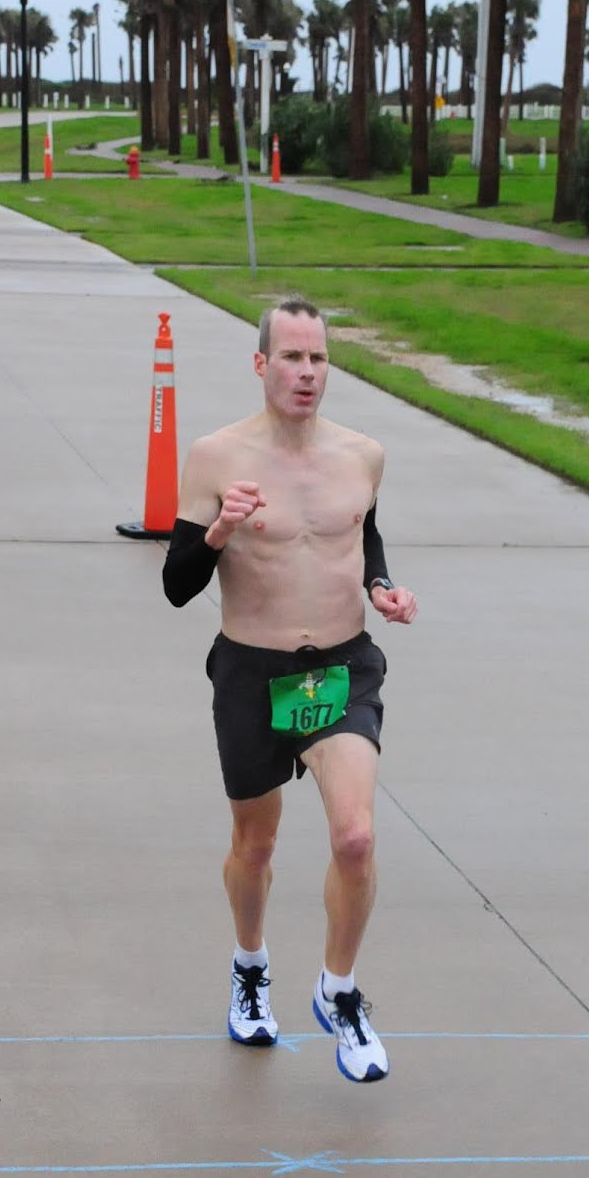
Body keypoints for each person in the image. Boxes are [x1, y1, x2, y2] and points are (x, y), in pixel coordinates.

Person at [163, 296, 417, 1083]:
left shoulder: (362, 455)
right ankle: (249, 968)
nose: (306, 373)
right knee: (257, 844)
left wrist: (381, 586)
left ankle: (338, 993)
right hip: (252, 671)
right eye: (292, 358)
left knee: (355, 837)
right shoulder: (215, 457)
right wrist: (217, 532)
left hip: (340, 668)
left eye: (318, 359)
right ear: (260, 364)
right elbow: (177, 587)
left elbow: (361, 532)